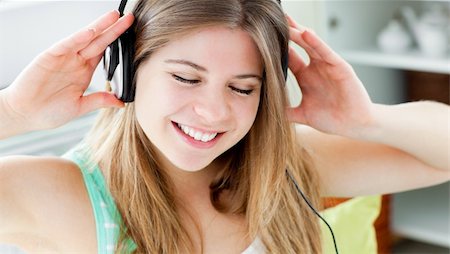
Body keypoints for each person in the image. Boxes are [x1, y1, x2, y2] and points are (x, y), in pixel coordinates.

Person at [0, 0, 448, 253]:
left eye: (242, 88)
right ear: (127, 71)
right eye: (186, 78)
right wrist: (14, 113)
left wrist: (367, 121)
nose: (213, 113)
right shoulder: (68, 196)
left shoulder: (280, 163)